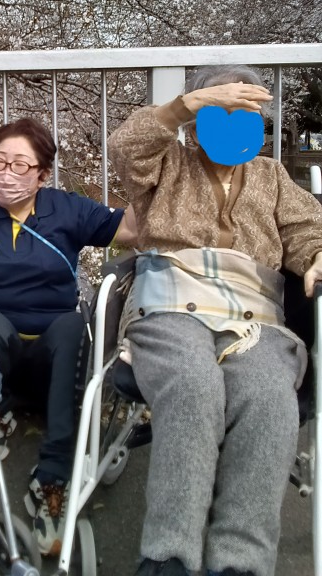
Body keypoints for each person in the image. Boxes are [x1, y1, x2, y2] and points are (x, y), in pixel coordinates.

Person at [108, 65, 322, 576]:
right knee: (193, 384)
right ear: (199, 121)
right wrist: (188, 104)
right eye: (218, 114)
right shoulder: (167, 164)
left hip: (254, 312)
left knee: (269, 397)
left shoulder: (272, 176)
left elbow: (306, 228)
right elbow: (125, 148)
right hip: (171, 301)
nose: (231, 125)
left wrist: (316, 255)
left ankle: (239, 563)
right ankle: (169, 556)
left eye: (245, 116)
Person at [0, 117, 136, 557]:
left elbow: (131, 229)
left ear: (43, 174)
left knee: (72, 325)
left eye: (20, 165)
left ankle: (53, 475)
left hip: (55, 354)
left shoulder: (67, 209)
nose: (5, 174)